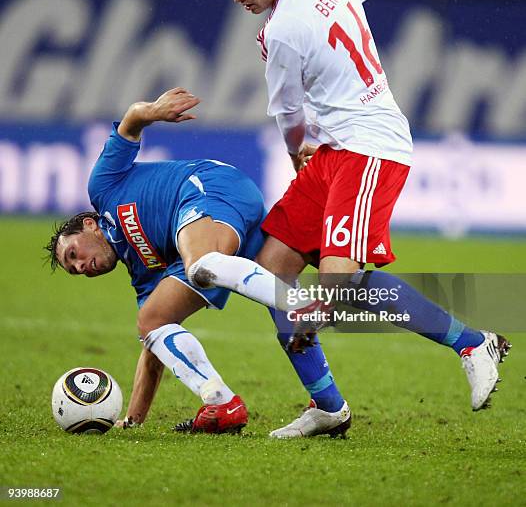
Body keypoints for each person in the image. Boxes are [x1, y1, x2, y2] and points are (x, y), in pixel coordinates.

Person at [181, 0, 511, 438]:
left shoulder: (280, 33)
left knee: (339, 279)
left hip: (370, 148)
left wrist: (294, 155)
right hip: (337, 151)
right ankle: (328, 406)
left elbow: (289, 115)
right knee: (273, 269)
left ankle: (472, 342)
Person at [45, 87, 349, 436]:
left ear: (88, 224)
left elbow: (129, 124)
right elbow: (154, 348)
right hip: (219, 230)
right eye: (74, 270)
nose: (81, 266)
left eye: (74, 255)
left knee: (202, 263)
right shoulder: (143, 276)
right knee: (153, 320)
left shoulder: (103, 187)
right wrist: (133, 419)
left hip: (210, 187)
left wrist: (153, 111)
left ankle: (302, 304)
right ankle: (282, 403)